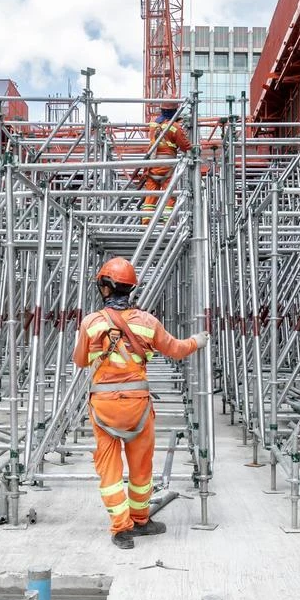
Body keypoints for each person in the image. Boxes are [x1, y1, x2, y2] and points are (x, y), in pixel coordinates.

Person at [73, 257, 202, 547]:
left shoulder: (92, 323)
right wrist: (196, 341)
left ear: (105, 288)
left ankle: (121, 528)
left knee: (109, 467)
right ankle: (141, 520)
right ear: (131, 289)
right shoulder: (147, 323)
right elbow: (178, 350)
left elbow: (80, 360)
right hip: (137, 406)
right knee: (141, 466)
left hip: (103, 405)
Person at [138, 106, 193, 224]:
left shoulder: (153, 124)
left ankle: (145, 224)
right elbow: (185, 145)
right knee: (169, 196)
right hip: (167, 167)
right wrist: (193, 149)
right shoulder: (174, 127)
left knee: (150, 197)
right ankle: (167, 225)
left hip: (152, 167)